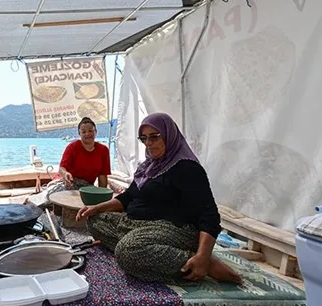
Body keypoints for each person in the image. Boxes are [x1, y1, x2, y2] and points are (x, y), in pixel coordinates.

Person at [76, 112, 242, 284]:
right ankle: (149, 249)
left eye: (154, 137)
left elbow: (209, 214)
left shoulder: (187, 168)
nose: (148, 143)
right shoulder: (149, 166)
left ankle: (199, 263)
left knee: (127, 252)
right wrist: (96, 208)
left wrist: (203, 255)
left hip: (174, 228)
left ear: (169, 135)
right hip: (138, 224)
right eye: (144, 138)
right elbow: (128, 197)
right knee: (94, 220)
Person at [59, 117, 110, 189]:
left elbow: (102, 176)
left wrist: (103, 193)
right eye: (83, 132)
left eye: (90, 131)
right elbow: (61, 168)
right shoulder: (72, 147)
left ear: (95, 132)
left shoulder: (103, 150)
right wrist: (65, 174)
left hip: (87, 187)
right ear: (79, 134)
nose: (87, 134)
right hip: (69, 183)